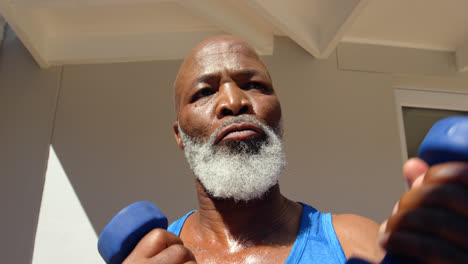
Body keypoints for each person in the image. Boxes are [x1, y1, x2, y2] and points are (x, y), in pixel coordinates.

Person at [123, 35, 468, 264]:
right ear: (179, 134)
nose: (234, 101)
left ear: (279, 116)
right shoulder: (150, 254)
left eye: (254, 86)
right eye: (204, 93)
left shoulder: (358, 244)